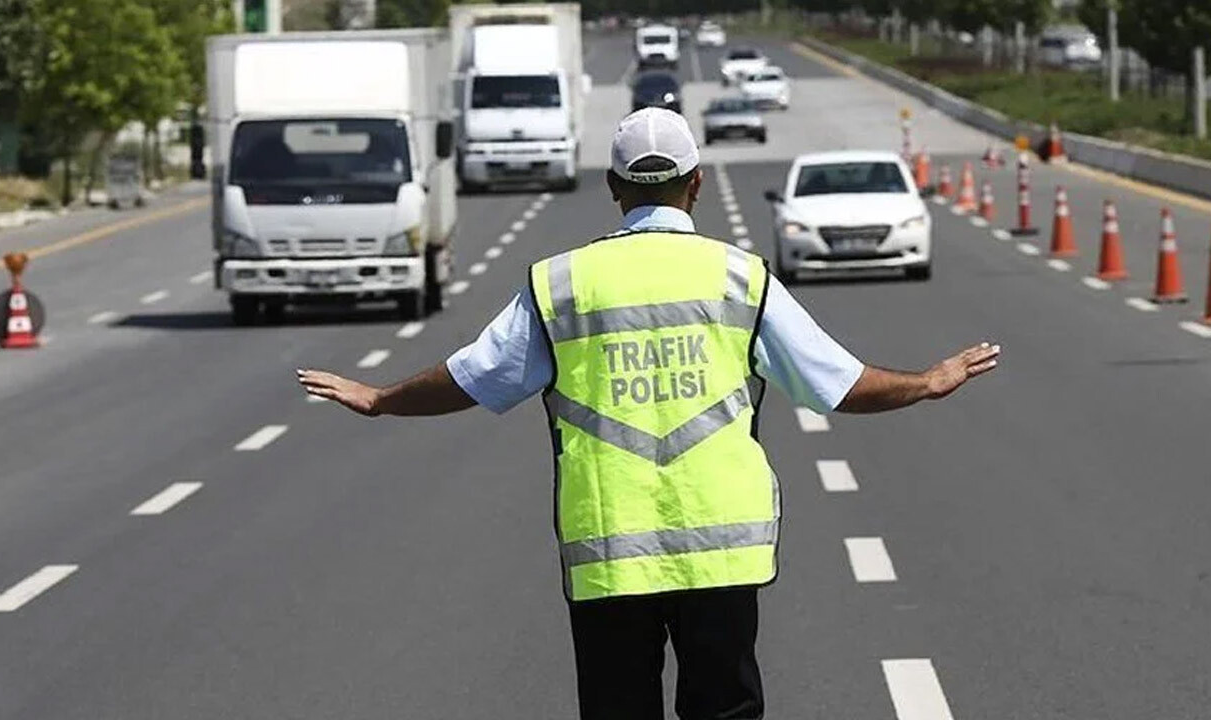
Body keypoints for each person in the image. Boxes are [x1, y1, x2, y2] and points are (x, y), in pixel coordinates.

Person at [297, 108, 1000, 720]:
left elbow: (475, 377)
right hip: (721, 553)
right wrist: (928, 380)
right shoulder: (739, 277)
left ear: (613, 189)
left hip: (610, 550)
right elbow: (836, 385)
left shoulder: (563, 284)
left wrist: (380, 400)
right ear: (696, 185)